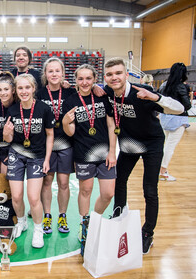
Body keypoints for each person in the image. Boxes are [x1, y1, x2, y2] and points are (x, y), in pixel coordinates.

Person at [103, 57, 184, 254]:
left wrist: (157, 98)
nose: (114, 78)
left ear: (126, 74)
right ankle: (118, 216)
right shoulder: (107, 92)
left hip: (152, 144)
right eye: (110, 74)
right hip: (129, 144)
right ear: (105, 77)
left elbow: (181, 109)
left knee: (149, 190)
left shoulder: (142, 93)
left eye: (118, 73)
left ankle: (147, 233)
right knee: (118, 181)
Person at [62, 64, 117, 256]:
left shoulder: (103, 97)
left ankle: (95, 219)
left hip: (105, 153)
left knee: (108, 193)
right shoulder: (70, 101)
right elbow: (70, 132)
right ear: (76, 80)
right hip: (83, 153)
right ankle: (84, 224)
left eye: (88, 78)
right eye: (80, 78)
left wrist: (112, 151)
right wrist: (65, 122)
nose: (84, 82)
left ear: (94, 79)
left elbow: (111, 125)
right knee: (85, 190)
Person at [3, 74, 54, 248]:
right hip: (16, 154)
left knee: (33, 197)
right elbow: (8, 139)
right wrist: (7, 133)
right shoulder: (12, 110)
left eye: (27, 87)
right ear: (16, 91)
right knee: (16, 195)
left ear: (33, 88)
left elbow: (50, 134)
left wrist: (47, 159)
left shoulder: (44, 109)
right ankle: (21, 222)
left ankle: (38, 230)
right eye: (20, 88)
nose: (24, 91)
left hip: (37, 157)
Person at [36, 58, 76, 235]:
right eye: (50, 71)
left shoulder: (70, 92)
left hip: (66, 143)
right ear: (45, 74)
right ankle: (47, 216)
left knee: (64, 182)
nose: (54, 74)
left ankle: (62, 215)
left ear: (63, 74)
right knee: (47, 181)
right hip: (46, 145)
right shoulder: (38, 94)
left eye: (57, 71)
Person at [158, 63, 192, 181]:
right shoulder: (180, 86)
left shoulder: (164, 85)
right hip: (178, 119)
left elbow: (159, 99)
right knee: (170, 146)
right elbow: (187, 105)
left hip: (165, 117)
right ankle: (162, 171)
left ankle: (162, 170)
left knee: (167, 145)